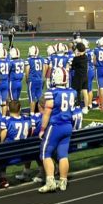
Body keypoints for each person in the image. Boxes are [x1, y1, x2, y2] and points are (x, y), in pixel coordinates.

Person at [37, 66, 78, 194]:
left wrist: (43, 129)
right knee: (63, 155)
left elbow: (47, 111)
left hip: (56, 126)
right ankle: (63, 181)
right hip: (67, 125)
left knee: (45, 153)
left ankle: (50, 182)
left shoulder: (52, 92)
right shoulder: (72, 92)